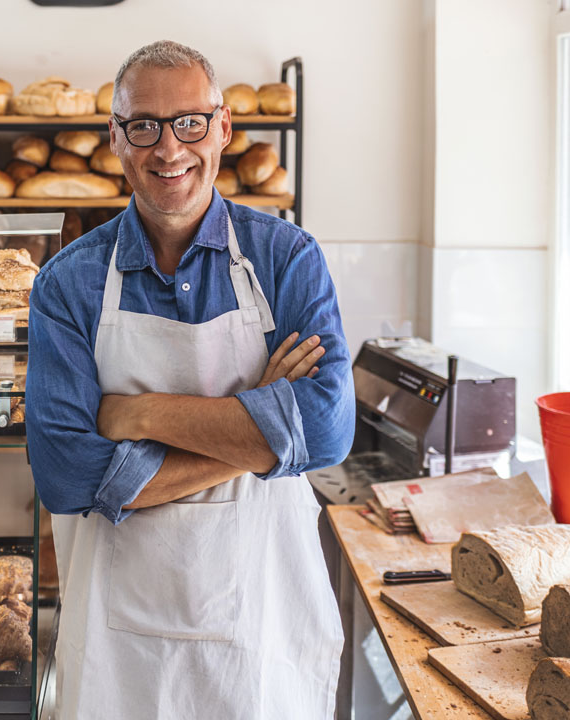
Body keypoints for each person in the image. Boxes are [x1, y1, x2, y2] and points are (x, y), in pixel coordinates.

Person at [27, 40, 354, 719]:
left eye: (190, 123)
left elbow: (324, 431)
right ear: (115, 138)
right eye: (143, 125)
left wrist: (138, 415)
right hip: (119, 653)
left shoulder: (286, 258)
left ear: (224, 129)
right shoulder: (69, 283)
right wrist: (260, 428)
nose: (168, 149)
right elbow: (65, 476)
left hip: (261, 632)